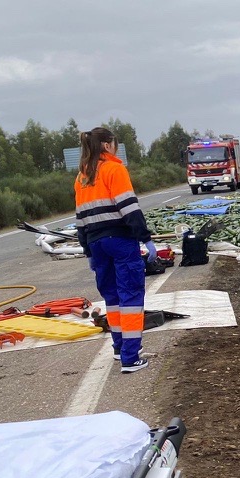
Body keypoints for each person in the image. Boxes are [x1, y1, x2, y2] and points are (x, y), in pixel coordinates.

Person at [74, 127, 157, 374]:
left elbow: (80, 220)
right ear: (108, 145)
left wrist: (88, 251)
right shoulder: (114, 169)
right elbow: (129, 209)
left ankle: (120, 349)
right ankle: (131, 358)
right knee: (130, 296)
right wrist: (146, 239)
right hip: (119, 241)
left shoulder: (82, 177)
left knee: (112, 298)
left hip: (97, 244)